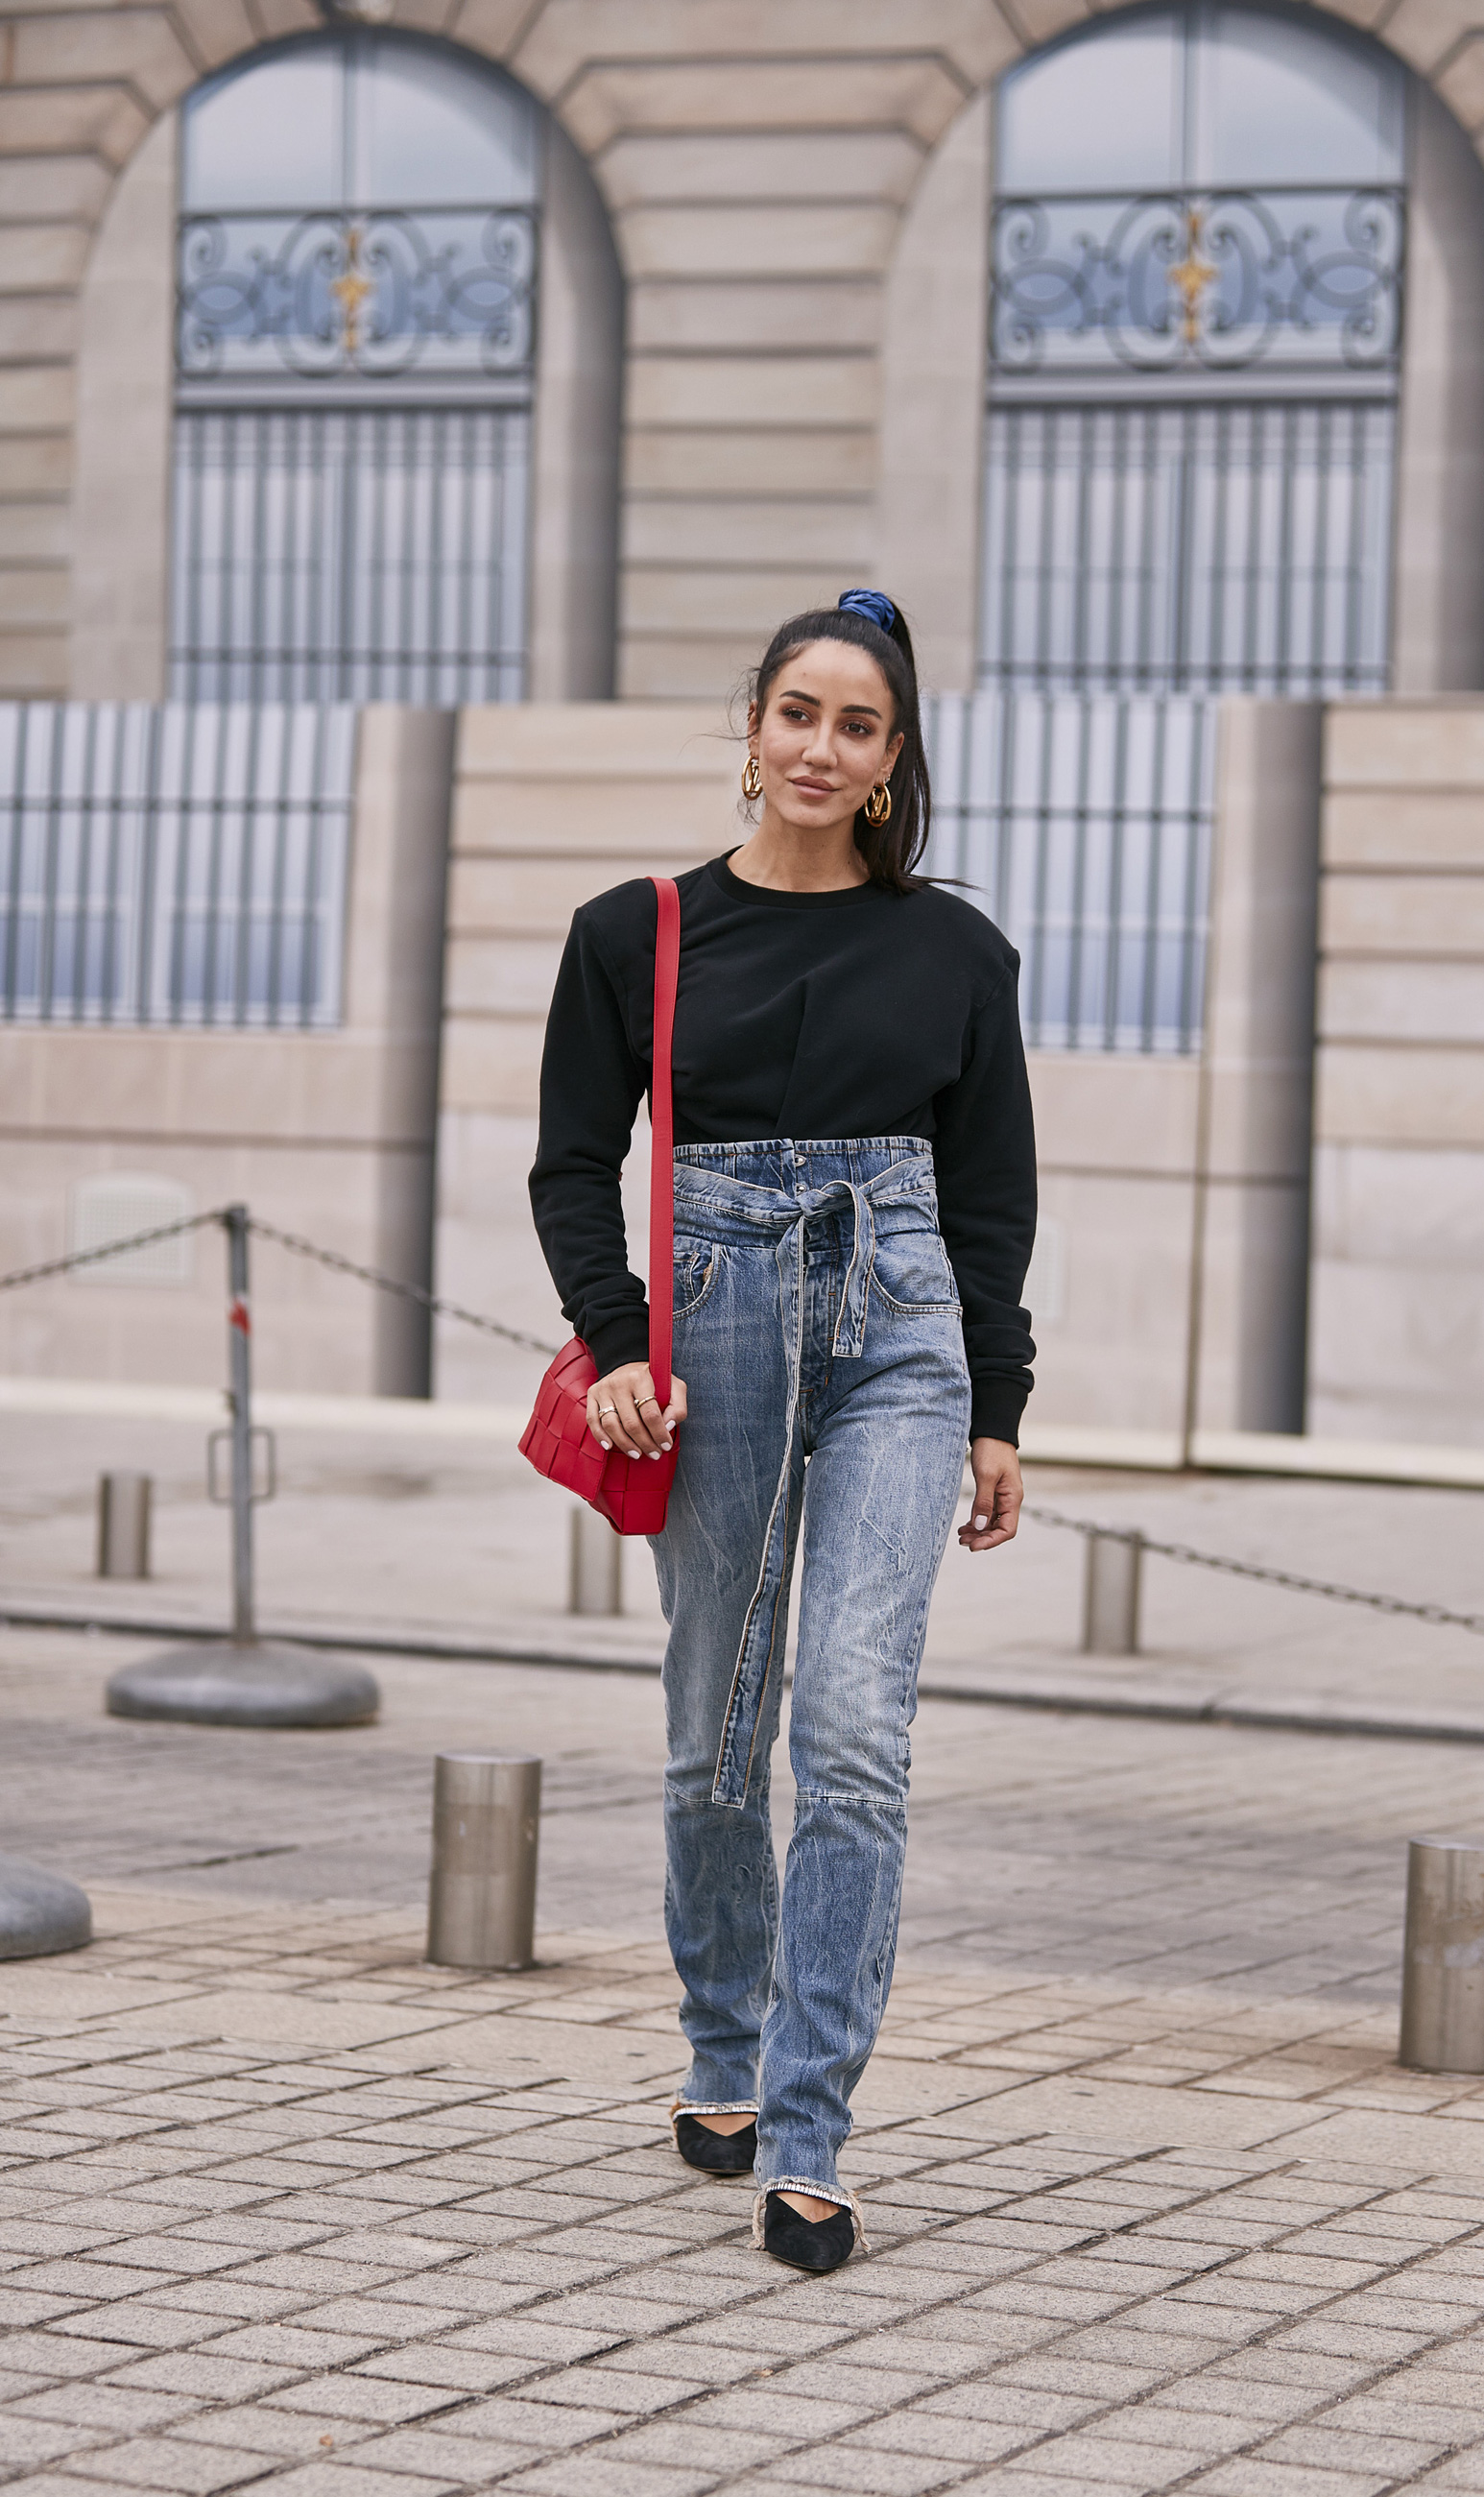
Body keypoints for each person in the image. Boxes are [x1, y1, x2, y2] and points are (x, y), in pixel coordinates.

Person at [530, 590, 1037, 2272]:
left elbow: (989, 1196)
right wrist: (614, 1340)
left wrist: (998, 1405)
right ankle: (722, 2047)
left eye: (860, 725)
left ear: (894, 763)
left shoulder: (958, 954)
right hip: (713, 1334)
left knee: (855, 1734)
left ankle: (809, 2131)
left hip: (902, 1338)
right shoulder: (638, 933)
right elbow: (570, 1164)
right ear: (750, 726)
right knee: (712, 1735)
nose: (823, 748)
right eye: (799, 713)